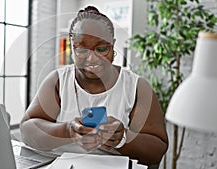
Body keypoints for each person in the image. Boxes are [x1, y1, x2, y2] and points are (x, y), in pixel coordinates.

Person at [20, 6, 168, 167]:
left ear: (113, 46)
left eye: (102, 48)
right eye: (82, 49)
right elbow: (28, 129)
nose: (92, 59)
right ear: (72, 47)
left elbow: (157, 150)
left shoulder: (137, 87)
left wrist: (123, 138)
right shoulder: (58, 80)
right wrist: (68, 130)